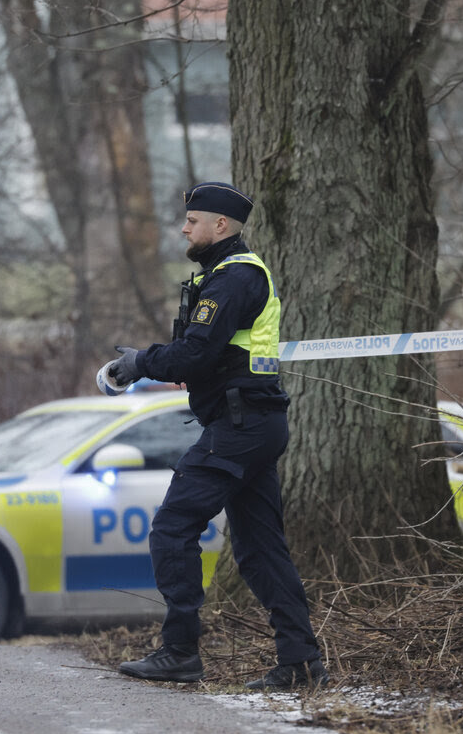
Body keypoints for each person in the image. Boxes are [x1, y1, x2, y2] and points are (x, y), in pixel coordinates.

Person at [108, 181, 326, 690]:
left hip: (240, 425)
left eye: (192, 221)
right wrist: (153, 360)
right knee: (259, 549)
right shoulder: (228, 276)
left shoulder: (234, 278)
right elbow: (205, 354)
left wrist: (140, 362)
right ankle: (300, 661)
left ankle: (180, 651)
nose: (184, 228)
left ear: (220, 226)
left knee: (172, 527)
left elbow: (196, 355)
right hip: (250, 422)